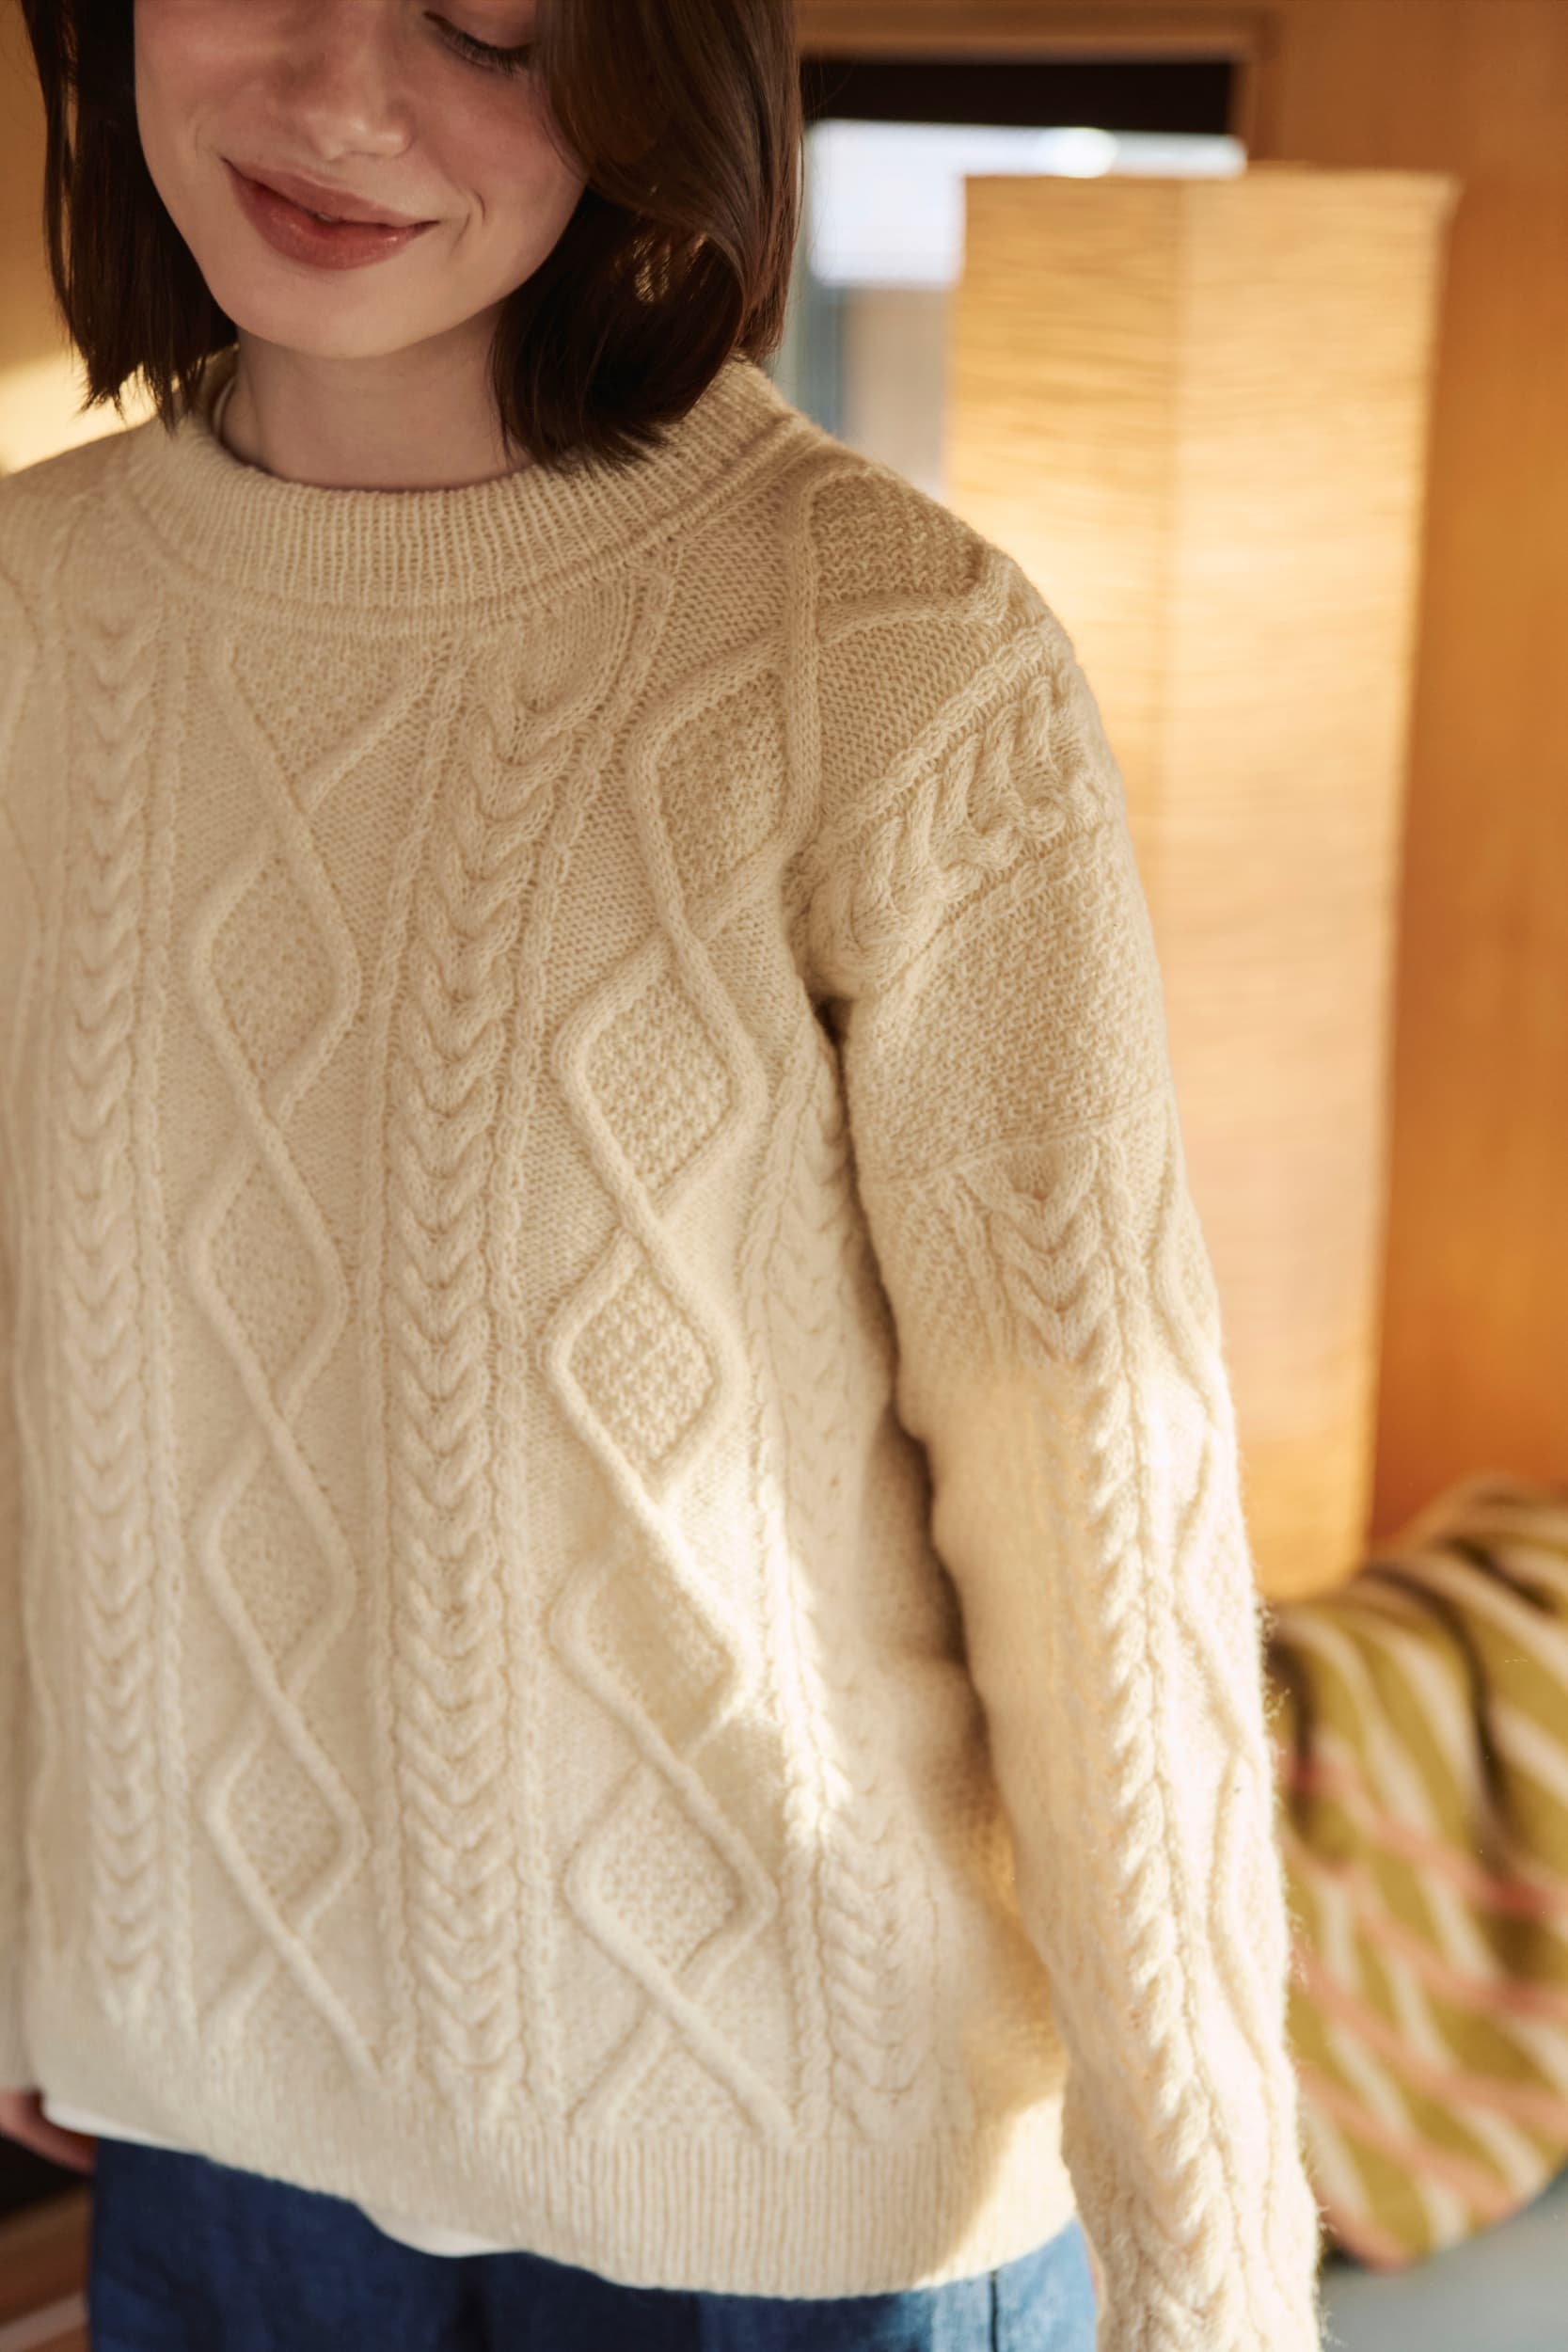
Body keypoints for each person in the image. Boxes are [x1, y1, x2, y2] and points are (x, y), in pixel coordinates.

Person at [0, 2, 1328, 2346]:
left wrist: (1208, 2269)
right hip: (217, 2120)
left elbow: (1103, 1517)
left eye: (491, 19)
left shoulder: (892, 658)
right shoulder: (30, 610)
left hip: (803, 2192)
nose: (343, 97)